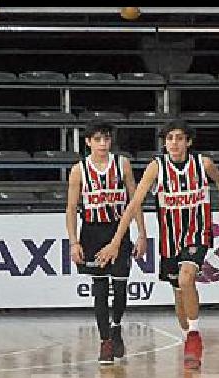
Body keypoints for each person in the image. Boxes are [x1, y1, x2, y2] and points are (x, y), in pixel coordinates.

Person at [95, 119, 219, 369]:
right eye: (170, 138)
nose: (174, 143)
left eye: (179, 138)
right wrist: (117, 241)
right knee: (179, 292)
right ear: (164, 142)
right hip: (170, 240)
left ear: (188, 142)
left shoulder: (202, 164)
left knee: (186, 278)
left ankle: (194, 336)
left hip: (197, 233)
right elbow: (133, 205)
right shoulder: (155, 168)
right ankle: (187, 338)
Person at [66, 120, 147, 364]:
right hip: (91, 231)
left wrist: (142, 234)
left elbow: (135, 202)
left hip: (118, 231)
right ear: (88, 142)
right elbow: (71, 208)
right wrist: (73, 242)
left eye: (107, 139)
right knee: (100, 290)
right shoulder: (79, 169)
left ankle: (117, 327)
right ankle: (105, 342)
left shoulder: (122, 164)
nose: (103, 143)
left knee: (120, 288)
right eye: (98, 139)